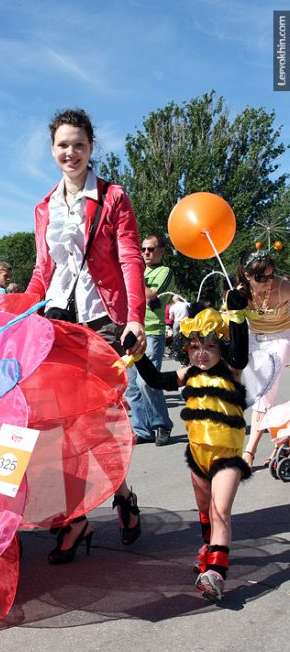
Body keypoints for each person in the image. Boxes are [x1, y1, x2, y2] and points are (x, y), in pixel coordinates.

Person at [26, 108, 146, 562]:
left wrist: (135, 317)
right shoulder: (44, 206)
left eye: (78, 144)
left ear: (91, 147)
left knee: (94, 423)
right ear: (52, 150)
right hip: (57, 321)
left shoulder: (113, 197)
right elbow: (43, 270)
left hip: (104, 320)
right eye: (62, 145)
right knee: (58, 427)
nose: (70, 152)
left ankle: (122, 498)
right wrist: (21, 316)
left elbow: (130, 258)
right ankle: (75, 518)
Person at [133, 291, 250, 600]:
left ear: (221, 347)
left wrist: (237, 316)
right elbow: (157, 380)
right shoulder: (190, 373)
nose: (202, 353)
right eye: (195, 346)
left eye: (210, 346)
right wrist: (137, 354)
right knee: (204, 510)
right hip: (197, 455)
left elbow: (240, 355)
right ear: (186, 348)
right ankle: (209, 548)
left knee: (220, 510)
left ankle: (216, 573)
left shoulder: (232, 371)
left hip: (227, 458)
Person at [234, 249, 290, 467]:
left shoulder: (284, 287)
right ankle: (282, 440)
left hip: (283, 337)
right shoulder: (239, 292)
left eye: (271, 275)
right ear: (247, 276)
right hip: (254, 340)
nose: (268, 281)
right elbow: (234, 325)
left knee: (265, 391)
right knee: (250, 392)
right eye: (261, 278)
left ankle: (250, 450)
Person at [125, 234, 174, 445]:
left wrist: (133, 273)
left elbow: (150, 295)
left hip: (152, 332)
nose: (146, 253)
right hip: (131, 331)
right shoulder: (137, 270)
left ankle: (161, 424)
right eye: (143, 249)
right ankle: (142, 429)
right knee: (131, 386)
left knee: (147, 381)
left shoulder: (165, 272)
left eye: (151, 249)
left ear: (161, 251)